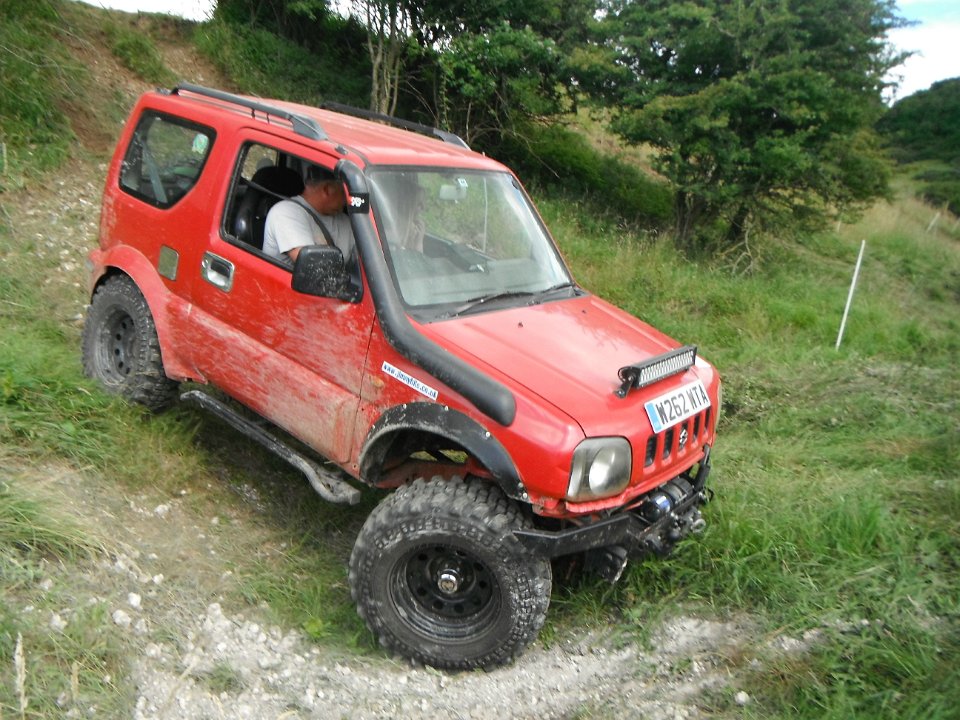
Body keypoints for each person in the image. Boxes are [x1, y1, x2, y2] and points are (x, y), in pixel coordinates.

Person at [263, 165, 353, 263]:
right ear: (328, 189)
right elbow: (311, 266)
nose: (348, 200)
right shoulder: (286, 213)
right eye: (344, 193)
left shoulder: (345, 221)